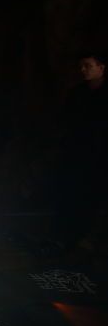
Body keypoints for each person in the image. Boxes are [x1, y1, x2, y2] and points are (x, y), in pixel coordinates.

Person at [52, 52, 108, 250]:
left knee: (97, 196)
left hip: (100, 154)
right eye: (82, 66)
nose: (83, 69)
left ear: (101, 68)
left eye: (88, 65)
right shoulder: (77, 93)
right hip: (78, 152)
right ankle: (71, 235)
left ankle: (92, 237)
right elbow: (66, 121)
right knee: (75, 193)